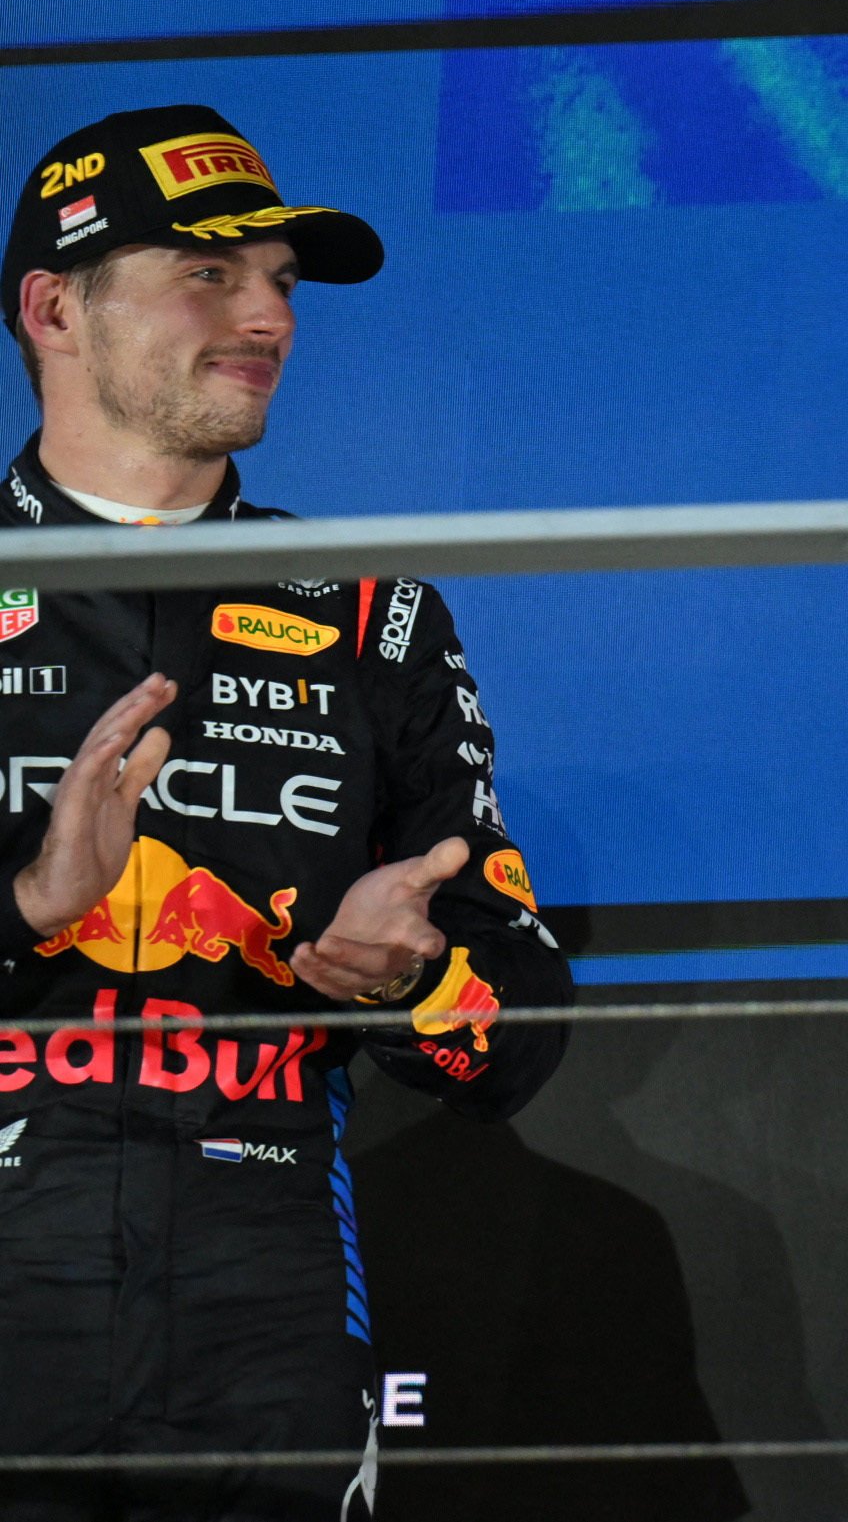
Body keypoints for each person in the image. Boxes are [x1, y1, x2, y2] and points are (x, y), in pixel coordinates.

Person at [0, 104, 569, 1520]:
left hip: (262, 1280)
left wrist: (418, 977)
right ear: (54, 306)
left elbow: (520, 1030)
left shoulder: (372, 613)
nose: (266, 315)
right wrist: (28, 907)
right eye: (209, 272)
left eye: (281, 281)